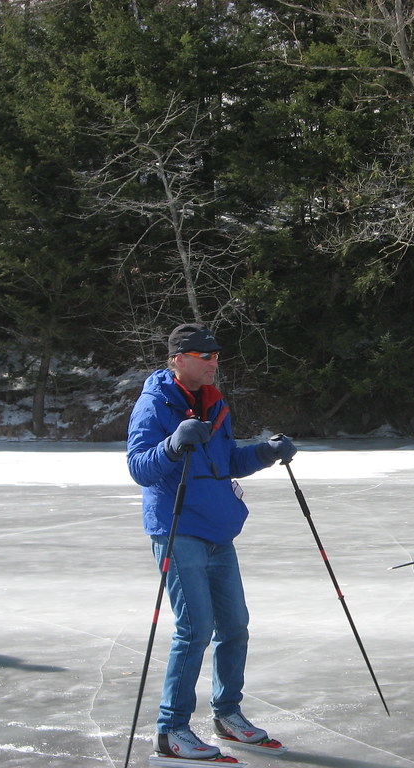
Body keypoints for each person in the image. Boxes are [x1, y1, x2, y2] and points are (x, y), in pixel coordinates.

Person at [127, 322, 296, 760]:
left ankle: (227, 714)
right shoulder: (154, 404)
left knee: (234, 625)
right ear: (179, 359)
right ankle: (172, 729)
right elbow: (140, 468)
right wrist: (172, 445)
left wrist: (263, 452)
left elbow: (226, 462)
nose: (214, 363)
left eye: (216, 356)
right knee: (195, 628)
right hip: (178, 527)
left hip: (219, 528)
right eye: (206, 357)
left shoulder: (213, 402)